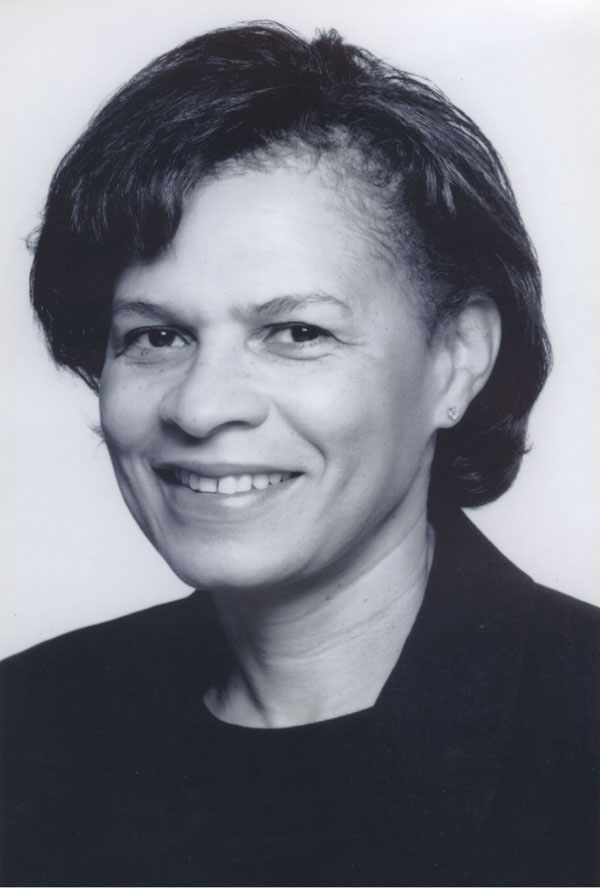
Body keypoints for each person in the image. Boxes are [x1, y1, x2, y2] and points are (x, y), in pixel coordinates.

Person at [1, 21, 598, 887]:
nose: (202, 406)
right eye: (157, 335)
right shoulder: (25, 727)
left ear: (455, 360)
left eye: (296, 332)